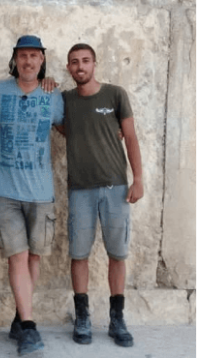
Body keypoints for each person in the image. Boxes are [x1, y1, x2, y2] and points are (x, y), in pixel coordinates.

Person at [0, 35, 64, 355]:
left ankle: (19, 316)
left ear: (42, 61)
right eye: (23, 56)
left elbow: (71, 127)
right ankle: (28, 327)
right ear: (15, 60)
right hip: (6, 192)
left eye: (34, 56)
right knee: (18, 256)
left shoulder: (54, 95)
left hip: (41, 192)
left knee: (34, 256)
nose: (28, 62)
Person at [62, 43, 143, 348]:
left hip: (116, 188)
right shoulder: (66, 100)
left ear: (94, 64)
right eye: (74, 62)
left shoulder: (115, 95)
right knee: (78, 254)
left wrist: (139, 179)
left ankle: (117, 319)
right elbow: (59, 126)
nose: (80, 66)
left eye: (85, 61)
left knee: (117, 254)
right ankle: (82, 317)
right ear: (69, 68)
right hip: (79, 189)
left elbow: (131, 137)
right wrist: (46, 84)